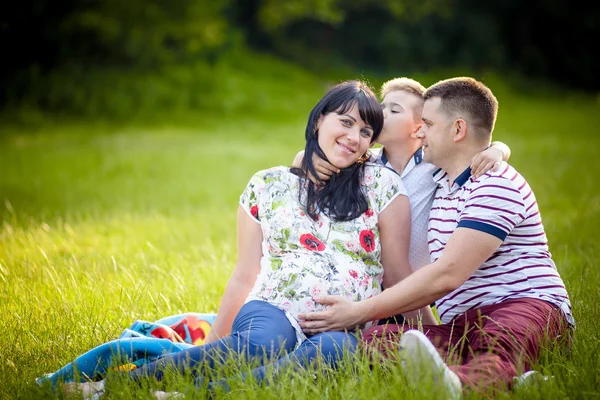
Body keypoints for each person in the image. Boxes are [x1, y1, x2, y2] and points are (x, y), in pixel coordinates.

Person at [68, 80, 427, 398]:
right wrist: (212, 345)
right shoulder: (267, 184)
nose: (354, 137)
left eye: (366, 131)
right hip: (273, 309)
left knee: (337, 353)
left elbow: (397, 273)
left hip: (346, 323)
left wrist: (437, 338)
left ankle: (199, 395)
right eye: (345, 122)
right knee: (265, 343)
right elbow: (245, 274)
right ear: (319, 120)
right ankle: (110, 389)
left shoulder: (382, 186)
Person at [297, 77, 573, 397]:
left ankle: (462, 384)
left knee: (498, 343)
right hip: (463, 323)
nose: (420, 131)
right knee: (378, 340)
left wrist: (359, 311)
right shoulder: (441, 178)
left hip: (521, 304)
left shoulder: (495, 183)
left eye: (427, 123)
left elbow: (448, 275)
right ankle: (516, 381)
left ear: (457, 130)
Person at [294, 77, 510, 325]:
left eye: (393, 110)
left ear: (422, 127)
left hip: (413, 290)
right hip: (368, 284)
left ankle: (434, 340)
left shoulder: (434, 165)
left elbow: (475, 147)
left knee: (412, 340)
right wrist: (305, 158)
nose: (380, 113)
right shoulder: (364, 163)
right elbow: (307, 159)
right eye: (381, 106)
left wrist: (498, 150)